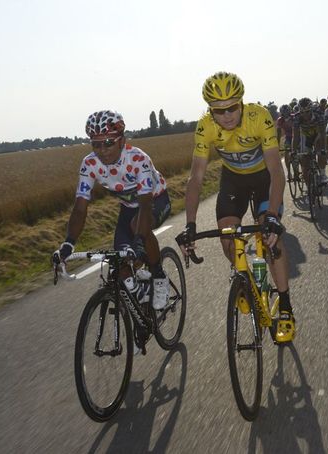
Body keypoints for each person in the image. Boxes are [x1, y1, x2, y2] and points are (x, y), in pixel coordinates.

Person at [179, 71, 296, 343]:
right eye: (218, 111)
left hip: (263, 178)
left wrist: (273, 216)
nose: (227, 115)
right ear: (210, 111)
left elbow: (276, 171)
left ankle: (286, 306)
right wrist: (190, 224)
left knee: (272, 241)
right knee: (228, 239)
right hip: (233, 182)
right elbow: (195, 178)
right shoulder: (205, 126)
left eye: (232, 107)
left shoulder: (259, 116)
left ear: (242, 102)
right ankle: (247, 282)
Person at [52, 110, 172, 315]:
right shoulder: (90, 164)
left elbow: (144, 205)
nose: (102, 150)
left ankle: (159, 276)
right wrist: (68, 243)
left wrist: (139, 241)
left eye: (108, 142)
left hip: (154, 202)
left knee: (137, 228)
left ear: (122, 141)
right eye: (96, 144)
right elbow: (80, 208)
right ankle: (139, 300)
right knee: (121, 267)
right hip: (128, 208)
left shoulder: (137, 159)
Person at [292, 97, 328, 187]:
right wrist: (294, 151)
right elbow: (296, 136)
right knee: (305, 166)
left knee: (320, 152)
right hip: (305, 136)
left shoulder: (318, 115)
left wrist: (323, 149)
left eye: (308, 112)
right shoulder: (297, 117)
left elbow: (323, 133)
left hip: (317, 135)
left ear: (311, 110)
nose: (305, 115)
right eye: (302, 112)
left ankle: (323, 174)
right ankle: (310, 191)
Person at [276, 104, 295, 179]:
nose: (286, 115)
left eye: (287, 112)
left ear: (290, 111)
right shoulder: (280, 120)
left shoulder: (294, 117)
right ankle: (289, 172)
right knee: (287, 153)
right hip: (288, 137)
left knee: (298, 152)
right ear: (281, 113)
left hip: (297, 136)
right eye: (284, 113)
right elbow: (278, 133)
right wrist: (277, 144)